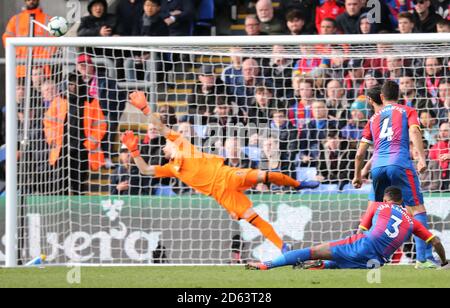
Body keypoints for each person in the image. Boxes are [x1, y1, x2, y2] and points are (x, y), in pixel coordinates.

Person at [121, 91, 321, 253]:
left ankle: (298, 184)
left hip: (227, 174)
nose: (164, 144)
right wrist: (134, 151)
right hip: (223, 195)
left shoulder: (182, 144)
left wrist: (146, 109)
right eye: (164, 146)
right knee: (255, 219)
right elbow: (146, 169)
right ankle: (283, 247)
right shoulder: (171, 169)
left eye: (165, 143)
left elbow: (161, 127)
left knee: (263, 175)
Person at [246, 187, 449, 270]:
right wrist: (444, 261)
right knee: (351, 260)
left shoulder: (378, 205)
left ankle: (266, 265)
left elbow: (360, 231)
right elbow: (436, 242)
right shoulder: (413, 221)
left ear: (387, 199)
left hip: (364, 245)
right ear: (402, 201)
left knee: (312, 251)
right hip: (377, 263)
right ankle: (324, 266)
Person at [353, 81, 437, 269]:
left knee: (374, 210)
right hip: (400, 164)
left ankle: (363, 256)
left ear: (381, 97)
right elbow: (415, 131)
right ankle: (423, 259)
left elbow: (360, 153)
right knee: (417, 210)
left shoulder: (373, 119)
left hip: (377, 167)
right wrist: (422, 159)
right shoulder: (407, 111)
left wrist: (358, 175)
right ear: (399, 95)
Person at [2, 0, 54, 78]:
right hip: (21, 68)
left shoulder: (48, 19)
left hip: (42, 69)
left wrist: (43, 55)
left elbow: (55, 41)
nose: (31, 1)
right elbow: (7, 37)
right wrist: (18, 52)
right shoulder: (15, 19)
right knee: (21, 90)